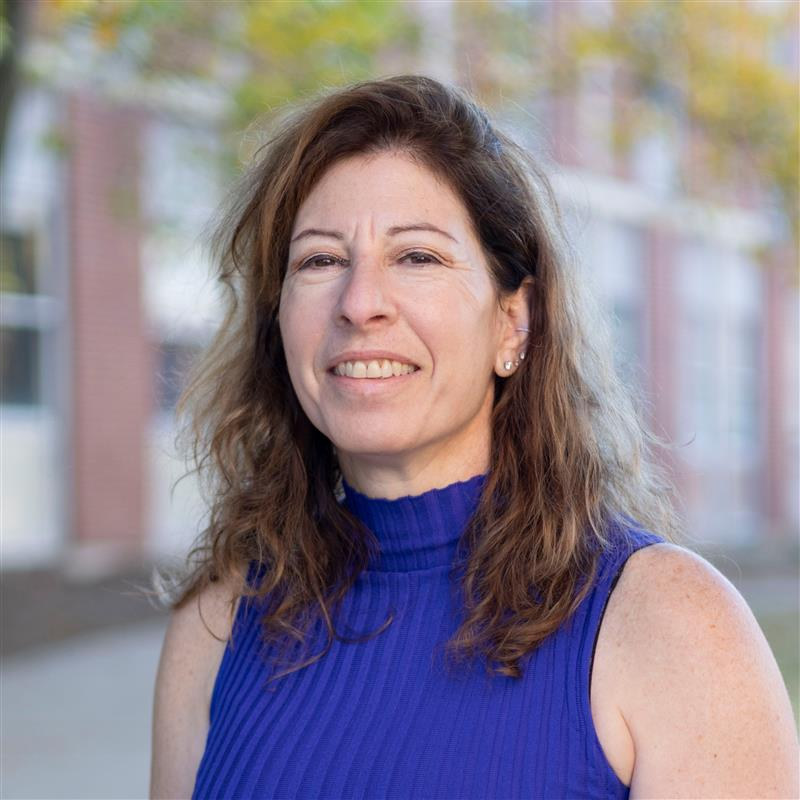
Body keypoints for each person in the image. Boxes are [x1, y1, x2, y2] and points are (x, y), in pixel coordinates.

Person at [150, 75, 798, 799]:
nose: (360, 303)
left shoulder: (668, 626)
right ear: (278, 321)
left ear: (512, 322)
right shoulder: (217, 623)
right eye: (321, 261)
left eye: (417, 257)